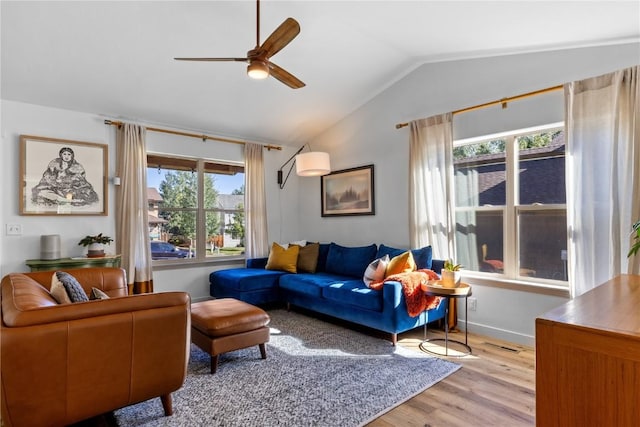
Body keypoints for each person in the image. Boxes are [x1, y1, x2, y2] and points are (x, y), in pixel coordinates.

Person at [31, 147, 99, 206]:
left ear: (72, 155)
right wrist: (53, 179)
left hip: (71, 188)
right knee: (40, 191)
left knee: (85, 192)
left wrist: (68, 182)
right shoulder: (54, 163)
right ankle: (63, 200)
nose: (66, 156)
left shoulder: (77, 167)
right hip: (55, 187)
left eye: (69, 154)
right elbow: (47, 177)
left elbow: (80, 181)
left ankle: (65, 200)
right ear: (61, 155)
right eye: (64, 154)